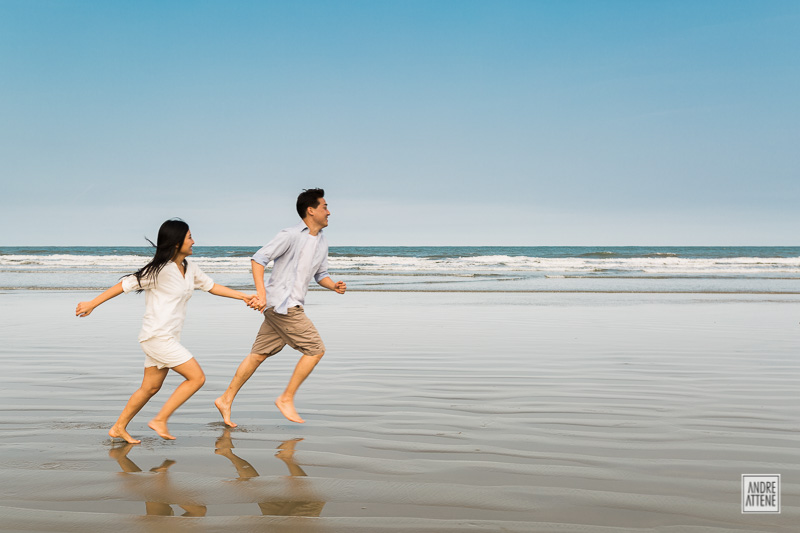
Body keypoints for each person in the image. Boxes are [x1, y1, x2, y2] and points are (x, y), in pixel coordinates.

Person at [76, 219, 254, 444]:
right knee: (196, 378)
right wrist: (92, 303)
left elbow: (212, 287)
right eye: (189, 237)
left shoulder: (189, 268)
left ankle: (118, 427)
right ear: (177, 242)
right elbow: (124, 285)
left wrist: (245, 296)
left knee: (149, 388)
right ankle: (161, 419)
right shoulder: (158, 271)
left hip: (166, 337)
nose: (194, 241)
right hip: (157, 337)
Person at [215, 188, 346, 426]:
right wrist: (262, 295)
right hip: (282, 306)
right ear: (311, 210)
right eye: (325, 207)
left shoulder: (322, 241)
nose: (329, 212)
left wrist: (332, 285)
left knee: (258, 355)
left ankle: (226, 398)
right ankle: (286, 398)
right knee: (316, 349)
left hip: (284, 307)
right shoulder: (290, 235)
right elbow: (258, 259)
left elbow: (321, 273)